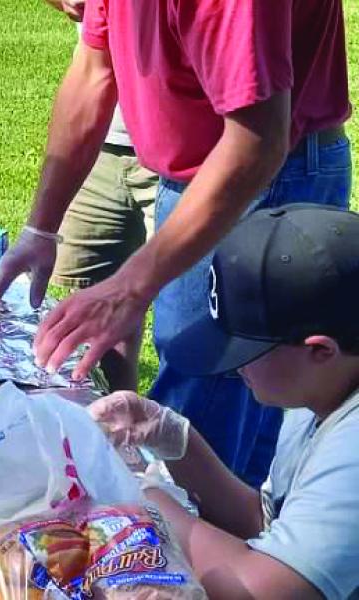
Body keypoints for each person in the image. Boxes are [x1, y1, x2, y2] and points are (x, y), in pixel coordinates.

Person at [0, 0, 351, 486]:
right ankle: (252, 537)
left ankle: (231, 551)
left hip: (268, 174)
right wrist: (41, 230)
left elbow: (258, 141)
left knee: (207, 406)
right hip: (193, 170)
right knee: (214, 406)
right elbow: (93, 71)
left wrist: (130, 287)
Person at [89, 205, 359, 599]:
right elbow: (265, 524)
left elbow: (266, 589)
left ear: (320, 350)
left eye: (245, 352)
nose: (233, 370)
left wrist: (148, 506)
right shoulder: (320, 389)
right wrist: (174, 439)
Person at [41, 0, 158, 392]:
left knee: (193, 326)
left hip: (188, 155)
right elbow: (96, 67)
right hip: (100, 140)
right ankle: (119, 415)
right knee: (89, 296)